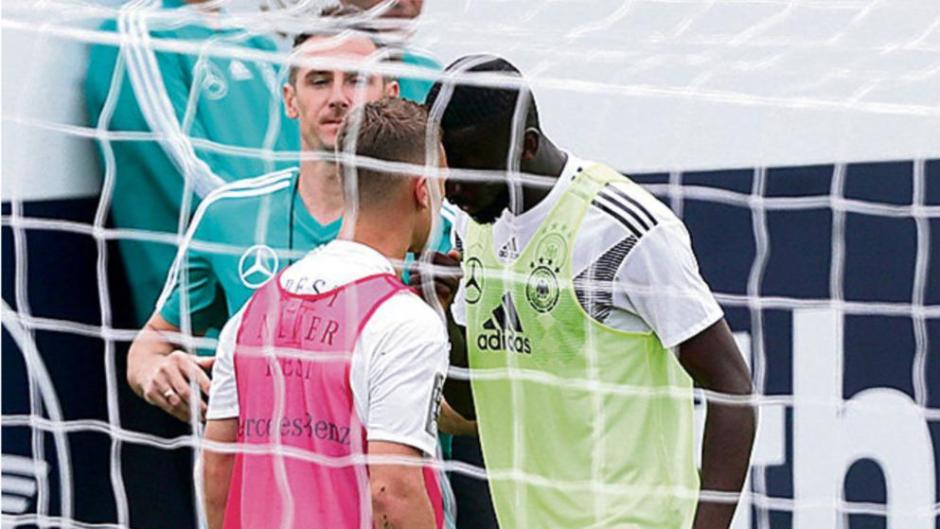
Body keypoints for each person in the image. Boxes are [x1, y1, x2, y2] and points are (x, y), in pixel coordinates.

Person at [424, 55, 757, 529]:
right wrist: (443, 315)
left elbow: (733, 389)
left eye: (466, 170)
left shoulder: (621, 228)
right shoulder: (472, 227)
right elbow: (477, 401)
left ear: (527, 147)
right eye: (441, 167)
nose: (449, 186)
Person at [126, 11, 453, 422]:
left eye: (355, 79)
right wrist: (157, 371)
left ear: (390, 94)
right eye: (319, 81)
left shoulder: (438, 224)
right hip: (261, 481)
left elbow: (471, 391)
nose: (338, 97)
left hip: (389, 478)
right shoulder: (228, 215)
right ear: (289, 100)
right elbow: (150, 344)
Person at [201, 97, 450, 529]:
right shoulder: (405, 322)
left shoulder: (254, 309)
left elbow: (217, 468)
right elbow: (394, 491)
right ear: (422, 189)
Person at [86, 0, 299, 326]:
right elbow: (183, 166)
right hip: (209, 297)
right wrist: (276, 235)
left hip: (287, 269)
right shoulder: (139, 33)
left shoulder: (254, 39)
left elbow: (299, 152)